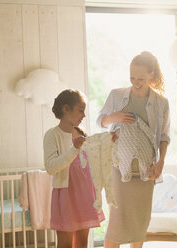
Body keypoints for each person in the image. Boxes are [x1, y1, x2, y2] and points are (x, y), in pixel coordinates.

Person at [97, 51, 170, 248]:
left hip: (147, 169)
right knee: (117, 222)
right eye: (132, 77)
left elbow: (163, 136)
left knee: (139, 222)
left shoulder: (161, 103)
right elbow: (100, 121)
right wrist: (114, 117)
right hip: (119, 168)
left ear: (152, 76)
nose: (136, 82)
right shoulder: (117, 95)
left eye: (141, 78)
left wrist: (161, 161)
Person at [43, 89, 105, 248]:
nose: (84, 115)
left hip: (85, 194)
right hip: (66, 195)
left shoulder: (82, 134)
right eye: (80, 110)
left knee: (82, 243)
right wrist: (74, 148)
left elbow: (90, 167)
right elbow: (51, 167)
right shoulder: (52, 135)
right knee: (65, 244)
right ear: (65, 109)